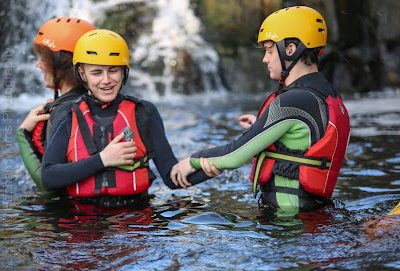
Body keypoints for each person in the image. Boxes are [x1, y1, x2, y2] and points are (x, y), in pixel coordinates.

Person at [171, 6, 351, 214]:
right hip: (312, 216)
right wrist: (260, 125)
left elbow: (235, 155)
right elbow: (300, 136)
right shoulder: (324, 94)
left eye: (269, 50)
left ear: (290, 49)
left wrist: (192, 161)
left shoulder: (292, 101)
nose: (265, 59)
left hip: (288, 226)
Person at [41, 29, 207, 206]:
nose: (106, 80)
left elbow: (171, 178)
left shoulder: (144, 112)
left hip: (136, 219)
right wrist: (103, 159)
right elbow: (49, 177)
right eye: (96, 73)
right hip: (82, 220)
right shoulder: (68, 115)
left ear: (124, 71)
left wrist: (206, 167)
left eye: (113, 71)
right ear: (82, 73)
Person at [16, 17, 96, 191]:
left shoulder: (62, 112)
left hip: (73, 215)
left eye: (43, 58)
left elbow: (48, 186)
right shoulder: (98, 100)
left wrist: (23, 135)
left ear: (61, 64)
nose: (38, 64)